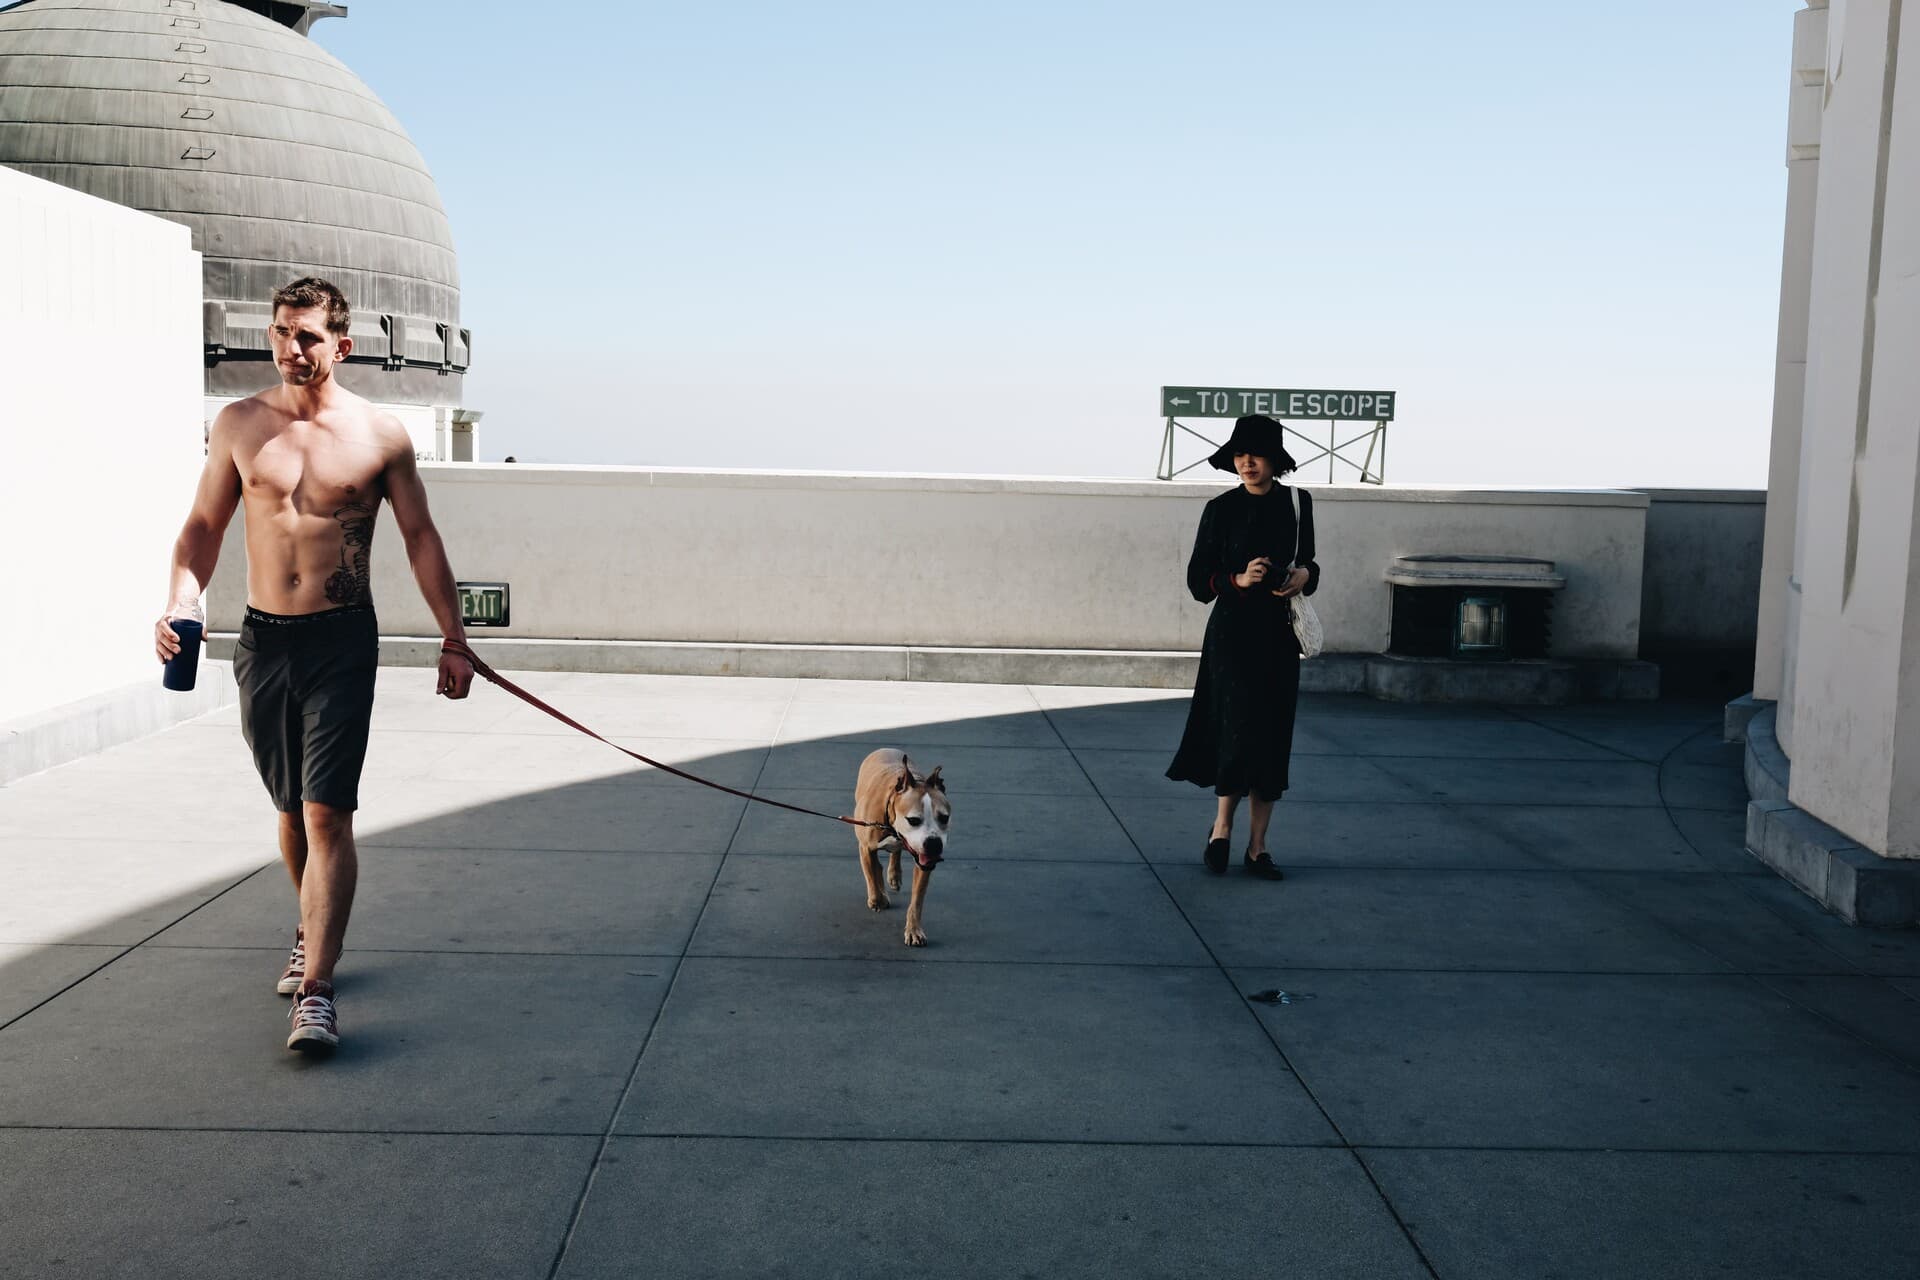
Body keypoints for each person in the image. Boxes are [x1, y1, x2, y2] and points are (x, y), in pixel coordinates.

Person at [155, 277, 475, 1054]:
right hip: (264, 640)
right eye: (280, 334)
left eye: (307, 337)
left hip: (340, 638)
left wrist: (454, 635)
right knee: (293, 811)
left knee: (330, 811)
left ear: (343, 345)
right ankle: (310, 926)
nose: (291, 349)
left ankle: (319, 991)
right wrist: (178, 602)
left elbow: (421, 536)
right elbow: (203, 524)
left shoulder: (380, 436)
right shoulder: (237, 425)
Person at [1166, 414, 1320, 880]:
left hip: (1278, 634)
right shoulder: (1220, 507)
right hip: (1232, 634)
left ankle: (1258, 848)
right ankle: (1221, 830)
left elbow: (1310, 560)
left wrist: (1303, 577)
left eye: (1255, 454)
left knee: (1272, 737)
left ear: (1275, 459)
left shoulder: (1298, 502)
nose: (1246, 462)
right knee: (1235, 731)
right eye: (1239, 454)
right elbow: (1198, 581)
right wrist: (1237, 578)